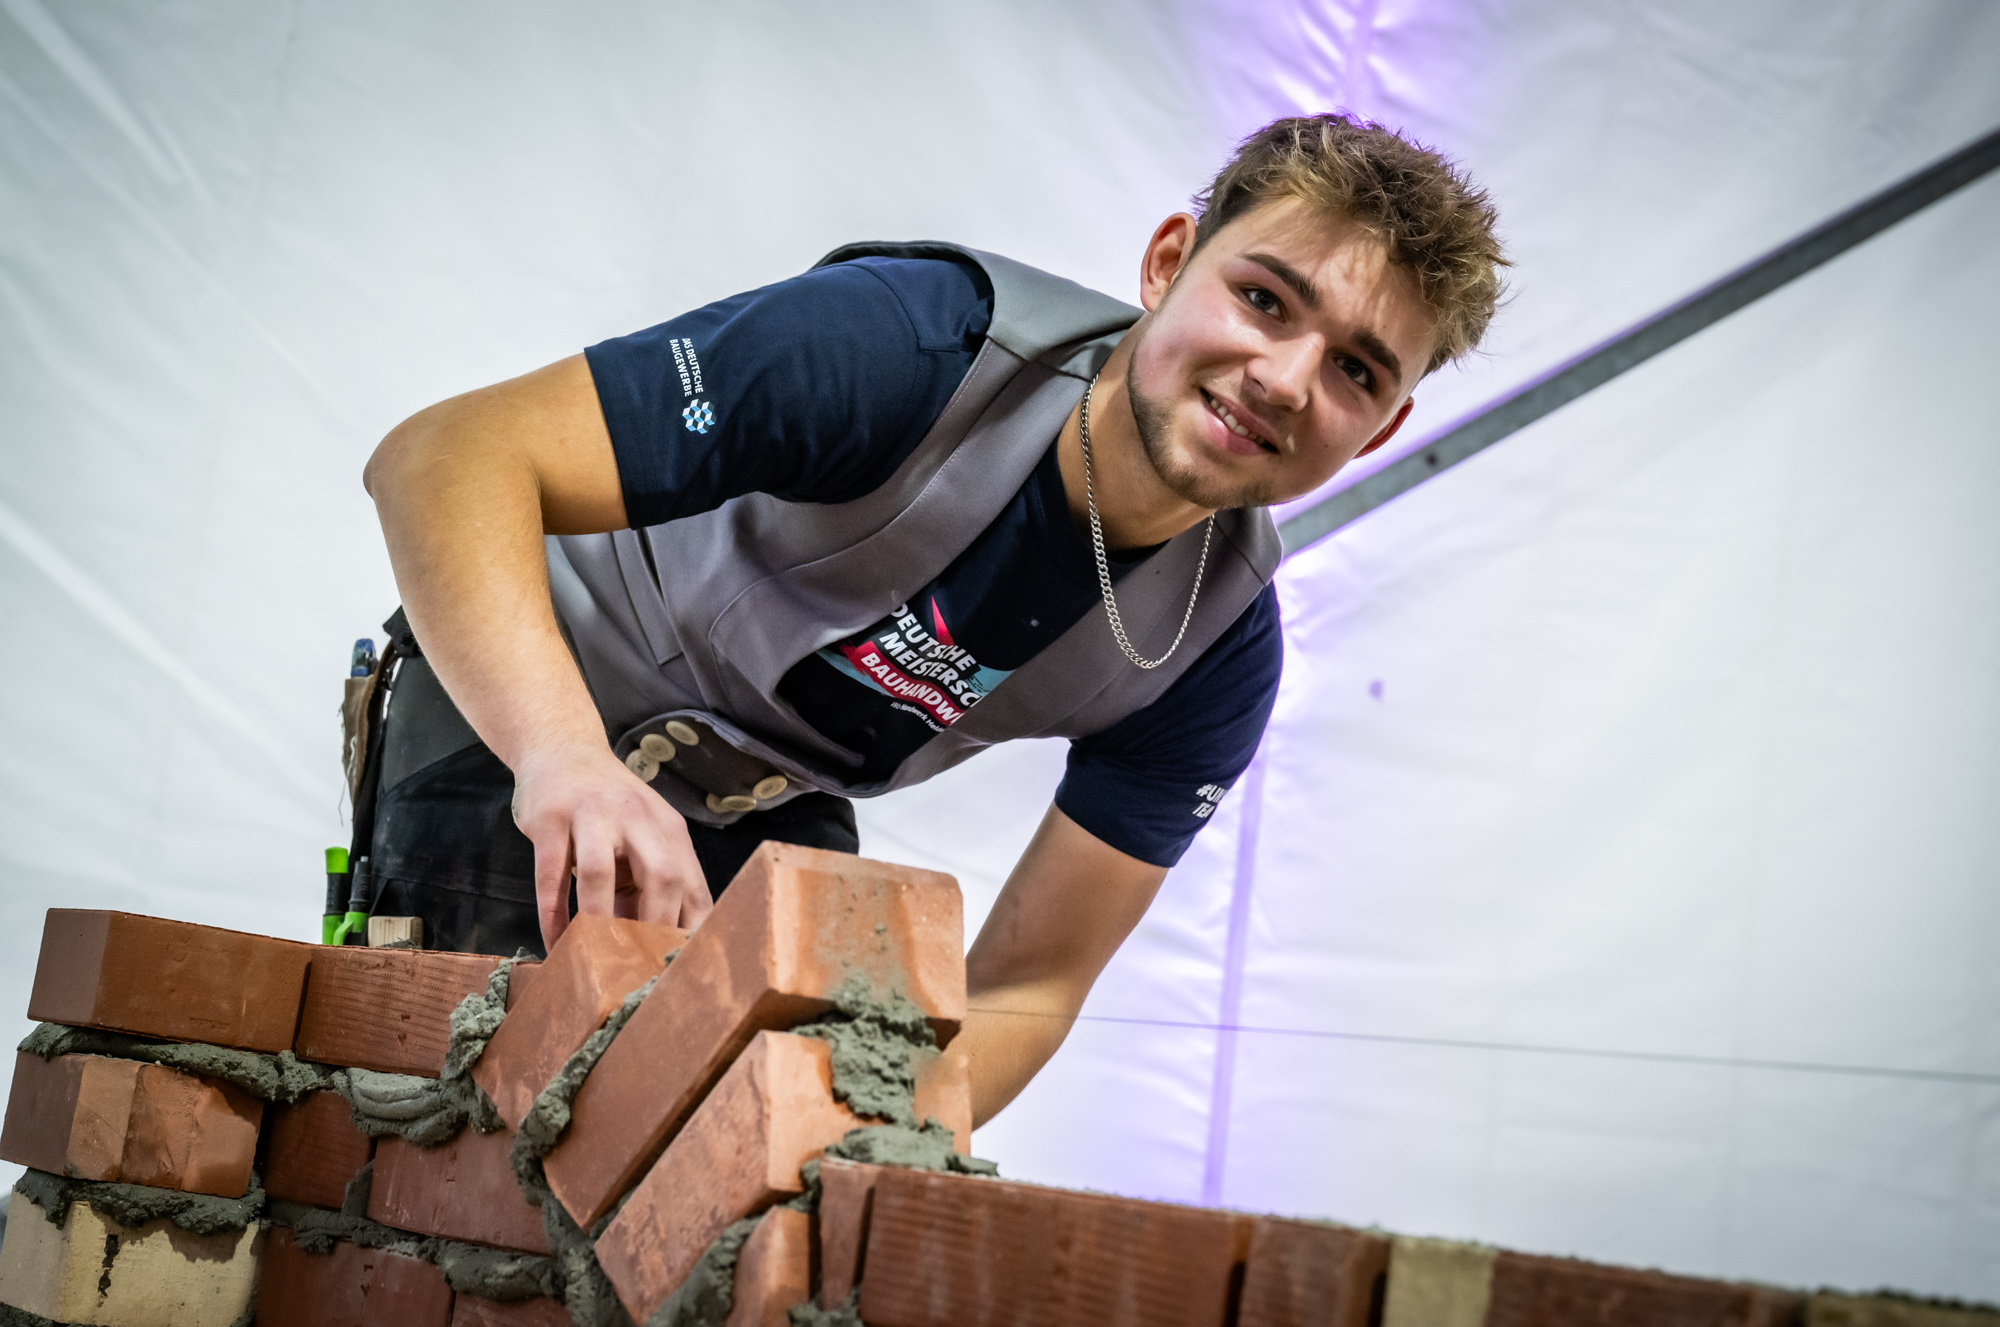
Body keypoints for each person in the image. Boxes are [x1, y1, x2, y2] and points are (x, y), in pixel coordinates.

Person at [360, 112, 1504, 1124]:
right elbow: (444, 456)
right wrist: (565, 759)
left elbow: (1027, 987)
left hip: (773, 798)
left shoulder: (1215, 652)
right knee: (478, 1144)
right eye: (1261, 299)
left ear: (1383, 427)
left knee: (762, 1151)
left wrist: (865, 1139)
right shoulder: (907, 344)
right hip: (532, 703)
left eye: (1354, 370)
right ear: (1166, 264)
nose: (1286, 378)